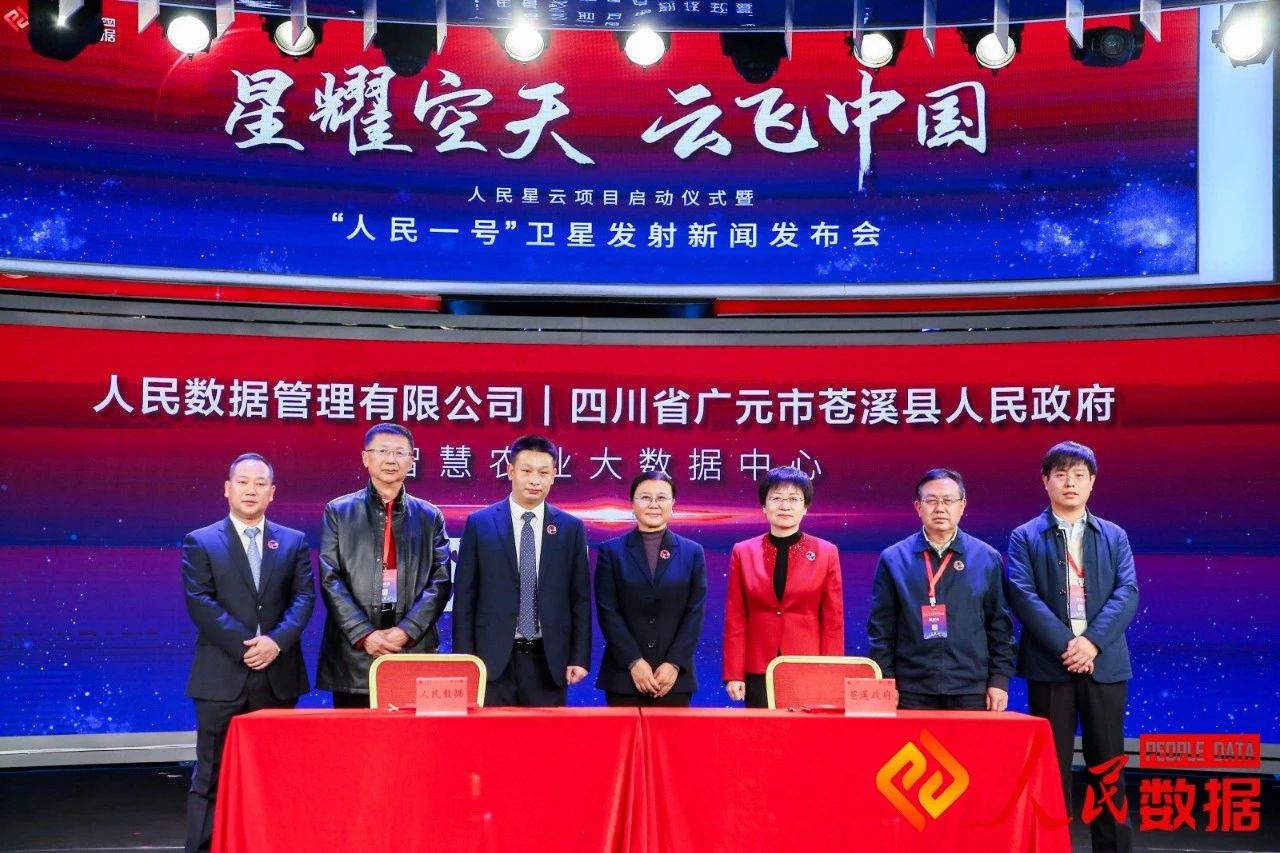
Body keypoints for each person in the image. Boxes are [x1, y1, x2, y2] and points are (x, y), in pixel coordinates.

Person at [1006, 441, 1138, 853]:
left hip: (1104, 664)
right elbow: (1022, 594)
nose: (1070, 482)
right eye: (1060, 474)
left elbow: (1127, 592)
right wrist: (1069, 645)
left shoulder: (1114, 535)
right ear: (1045, 481)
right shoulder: (1025, 536)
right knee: (1051, 771)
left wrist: (1092, 643)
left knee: (1108, 770)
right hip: (1051, 665)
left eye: (1079, 475)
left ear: (1092, 482)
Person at [182, 453, 314, 853]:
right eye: (243, 482)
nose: (251, 490)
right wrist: (247, 646)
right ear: (228, 489)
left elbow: (304, 598)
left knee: (275, 773)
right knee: (211, 773)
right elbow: (200, 601)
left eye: (260, 483)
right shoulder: (201, 541)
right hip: (220, 676)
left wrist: (275, 642)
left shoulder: (292, 541)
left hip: (278, 674)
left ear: (272, 493)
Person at [316, 424, 452, 708]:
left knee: (412, 735)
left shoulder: (430, 516)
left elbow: (440, 581)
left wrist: (407, 631)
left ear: (412, 460)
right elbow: (330, 579)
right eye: (383, 451)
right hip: (354, 655)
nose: (391, 459)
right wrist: (364, 634)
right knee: (357, 735)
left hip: (413, 649)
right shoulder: (338, 511)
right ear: (366, 458)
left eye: (400, 453)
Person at [453, 434, 591, 706]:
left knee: (544, 734)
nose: (534, 480)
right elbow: (465, 597)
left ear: (553, 476)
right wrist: (465, 659)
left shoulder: (570, 528)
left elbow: (580, 599)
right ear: (510, 471)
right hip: (491, 660)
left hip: (548, 660)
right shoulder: (480, 524)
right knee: (491, 732)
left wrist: (579, 657)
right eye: (526, 471)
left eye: (543, 472)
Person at [867, 468, 1015, 711]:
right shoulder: (894, 559)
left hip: (971, 688)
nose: (940, 508)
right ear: (918, 507)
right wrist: (886, 680)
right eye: (931, 500)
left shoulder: (986, 558)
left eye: (948, 500)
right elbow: (881, 628)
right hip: (910, 689)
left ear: (962, 505)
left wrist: (999, 680)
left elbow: (1000, 624)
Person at [723, 466, 844, 708]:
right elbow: (736, 617)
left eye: (793, 499)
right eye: (776, 498)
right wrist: (734, 673)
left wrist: (831, 672)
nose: (784, 506)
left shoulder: (826, 552)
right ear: (764, 505)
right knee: (761, 731)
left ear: (805, 507)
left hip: (808, 666)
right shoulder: (743, 552)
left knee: (805, 731)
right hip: (759, 666)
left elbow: (833, 619)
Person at [595, 472, 708, 706]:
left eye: (662, 498)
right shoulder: (611, 552)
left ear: (673, 504)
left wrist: (674, 664)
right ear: (632, 503)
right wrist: (634, 661)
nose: (653, 504)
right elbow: (608, 612)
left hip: (674, 679)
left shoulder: (692, 552)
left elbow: (695, 613)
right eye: (645, 497)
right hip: (623, 676)